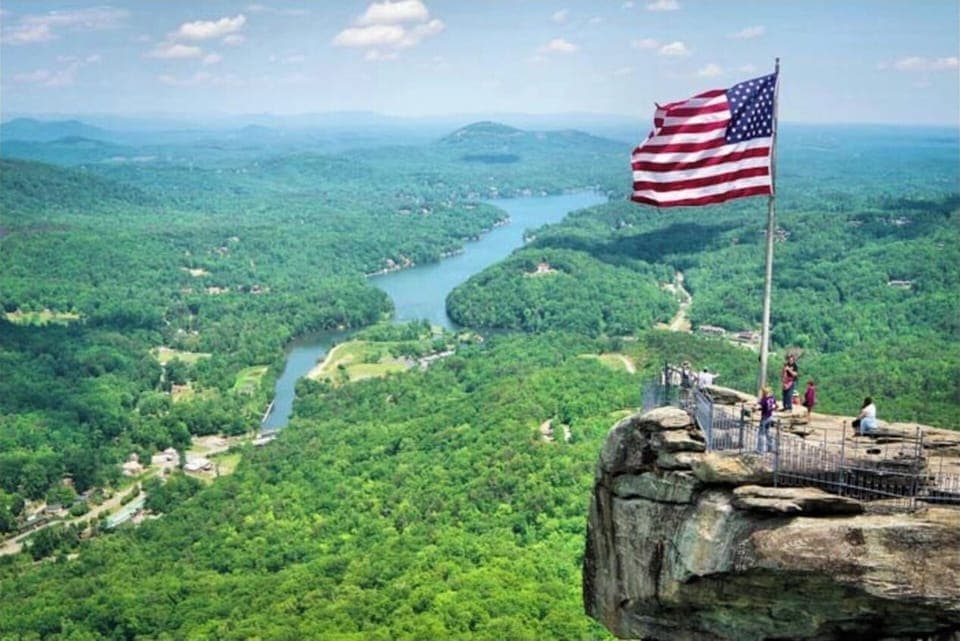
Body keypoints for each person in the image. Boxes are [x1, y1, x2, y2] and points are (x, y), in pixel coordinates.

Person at [756, 386, 777, 454]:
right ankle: (770, 447)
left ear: (764, 393)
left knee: (761, 433)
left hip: (764, 417)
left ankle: (760, 450)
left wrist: (755, 407)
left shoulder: (764, 399)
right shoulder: (772, 398)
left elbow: (759, 406)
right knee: (768, 432)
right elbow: (775, 406)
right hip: (770, 417)